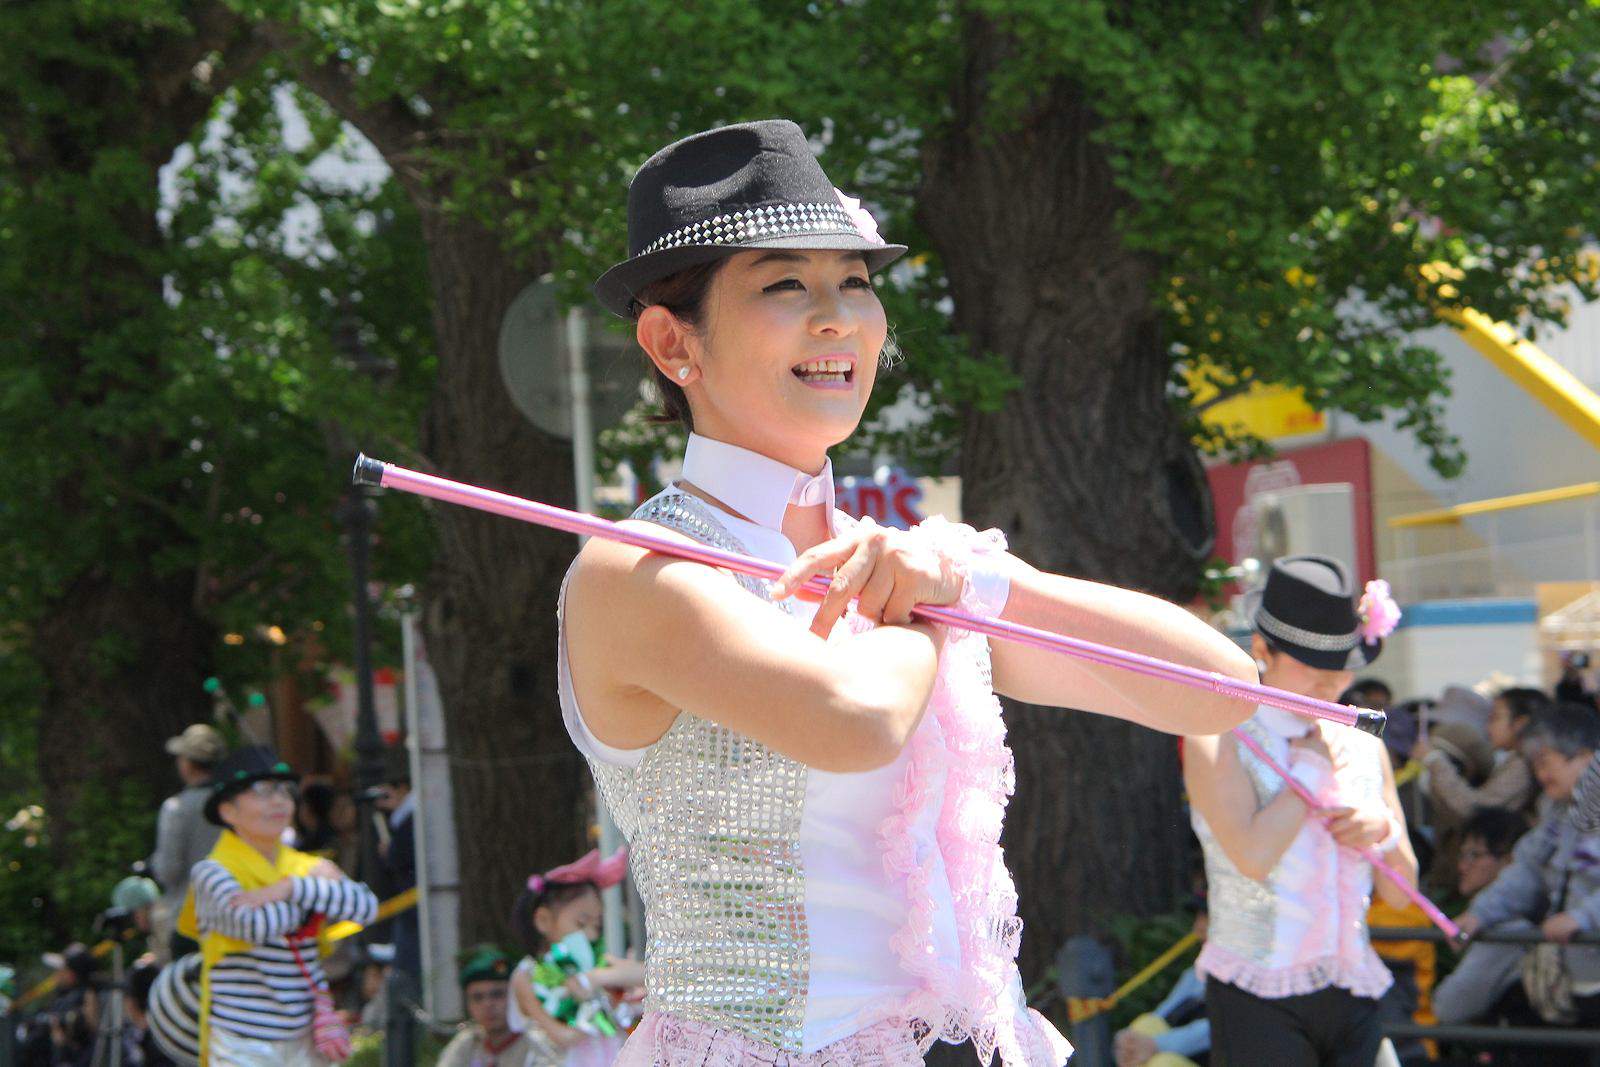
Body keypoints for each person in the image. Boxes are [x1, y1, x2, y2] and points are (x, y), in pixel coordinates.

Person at [563, 119, 1257, 1067]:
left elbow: (1222, 689)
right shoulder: (637, 569)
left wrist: (970, 580)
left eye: (855, 281)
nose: (838, 317)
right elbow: (855, 721)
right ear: (671, 342)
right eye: (784, 284)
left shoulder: (915, 559)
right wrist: (925, 609)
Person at [1185, 556, 1418, 1067]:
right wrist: (1310, 773)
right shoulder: (1219, 735)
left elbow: (1403, 893)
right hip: (1257, 993)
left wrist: (1381, 830)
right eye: (1313, 670)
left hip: (1352, 986)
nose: (1331, 687)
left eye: (1341, 670)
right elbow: (1252, 856)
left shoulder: (1363, 742)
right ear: (1262, 650)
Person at [177, 745, 377, 1066]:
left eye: (284, 791)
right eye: (262, 791)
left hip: (307, 1038)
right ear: (228, 811)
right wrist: (317, 895)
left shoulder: (302, 867)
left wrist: (290, 888)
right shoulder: (212, 872)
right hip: (243, 1040)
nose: (279, 801)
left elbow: (365, 907)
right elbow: (255, 926)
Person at [1450, 705, 1600, 1035]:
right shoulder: (1558, 812)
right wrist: (1480, 914)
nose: (1539, 773)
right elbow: (1527, 870)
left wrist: (1583, 918)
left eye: (1546, 761)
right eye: (1534, 764)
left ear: (1585, 757)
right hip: (1574, 974)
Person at [508, 848, 642, 1057]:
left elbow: (646, 976)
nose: (590, 935)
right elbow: (562, 1036)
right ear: (543, 920)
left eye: (596, 925)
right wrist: (594, 1009)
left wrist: (596, 979)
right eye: (581, 923)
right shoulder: (527, 974)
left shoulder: (598, 965)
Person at [1431, 807, 1530, 1026]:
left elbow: (1448, 1007)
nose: (1462, 866)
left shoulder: (1510, 929)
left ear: (1510, 861)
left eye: (1474, 855)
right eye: (1462, 855)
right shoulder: (1460, 912)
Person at [1415, 687, 1544, 825]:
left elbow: (1475, 809)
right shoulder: (1516, 759)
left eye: (1495, 717)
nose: (1488, 727)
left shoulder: (1522, 765)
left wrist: (1434, 760)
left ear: (1520, 723)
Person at [150, 723, 225, 958]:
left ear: (188, 764)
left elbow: (168, 870)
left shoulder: (176, 809)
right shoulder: (236, 803)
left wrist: (154, 864)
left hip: (189, 919)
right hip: (235, 914)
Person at [437, 948, 555, 1067]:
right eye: (478, 997)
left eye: (497, 994)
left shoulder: (537, 1042)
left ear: (515, 998)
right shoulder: (468, 1043)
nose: (487, 1004)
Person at [374, 744, 419, 980]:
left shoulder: (411, 817)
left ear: (402, 788)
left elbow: (401, 857)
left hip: (413, 906)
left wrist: (390, 852)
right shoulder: (399, 819)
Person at [19, 943, 98, 1067]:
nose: (56, 974)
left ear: (71, 974)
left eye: (61, 970)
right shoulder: (64, 997)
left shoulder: (84, 998)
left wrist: (62, 1044)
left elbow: (85, 1035)